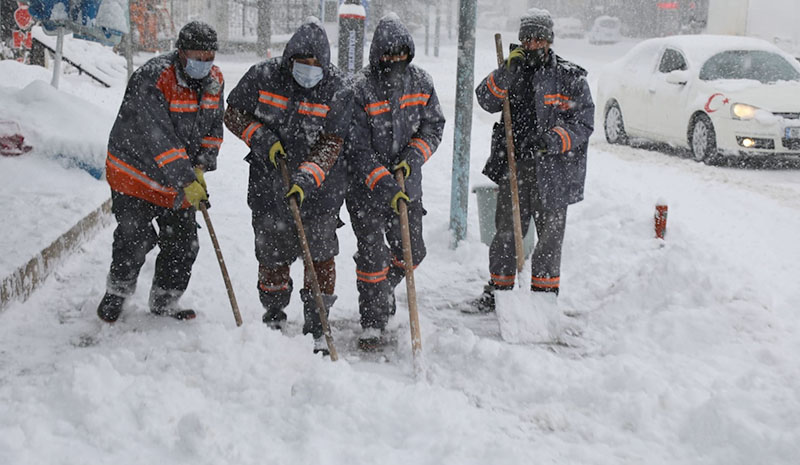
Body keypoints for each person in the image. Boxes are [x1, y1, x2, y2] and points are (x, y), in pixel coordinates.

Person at [224, 18, 351, 354]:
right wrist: (263, 139)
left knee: (320, 257)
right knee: (272, 253)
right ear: (288, 58)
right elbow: (234, 113)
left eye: (315, 64)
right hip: (269, 182)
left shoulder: (338, 87)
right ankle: (274, 313)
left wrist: (305, 179)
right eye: (301, 62)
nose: (308, 70)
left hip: (321, 189)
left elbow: (332, 142)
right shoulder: (263, 76)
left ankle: (318, 323)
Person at [96, 21, 224, 322]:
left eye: (209, 58)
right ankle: (117, 293)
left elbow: (212, 127)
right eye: (197, 56)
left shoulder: (214, 80)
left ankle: (165, 300)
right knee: (134, 237)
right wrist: (187, 178)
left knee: (183, 241)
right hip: (135, 172)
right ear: (181, 52)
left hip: (178, 176)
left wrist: (202, 165)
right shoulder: (153, 78)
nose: (203, 64)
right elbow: (158, 138)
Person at [469, 9, 594, 312]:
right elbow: (485, 100)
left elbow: (584, 122)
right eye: (527, 37)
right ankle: (500, 290)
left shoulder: (568, 77)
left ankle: (544, 297)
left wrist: (551, 139)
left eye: (539, 38)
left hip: (554, 170)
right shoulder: (512, 69)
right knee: (507, 233)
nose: (532, 43)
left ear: (549, 40)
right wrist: (505, 73)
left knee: (550, 237)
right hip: (515, 167)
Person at [345, 14, 445, 349]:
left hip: (408, 186)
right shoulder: (359, 88)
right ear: (377, 55)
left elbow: (433, 127)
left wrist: (413, 157)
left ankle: (384, 288)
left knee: (412, 252)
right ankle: (372, 322)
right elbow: (356, 149)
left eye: (401, 55)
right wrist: (387, 185)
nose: (394, 61)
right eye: (388, 55)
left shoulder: (421, 82)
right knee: (372, 257)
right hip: (367, 190)